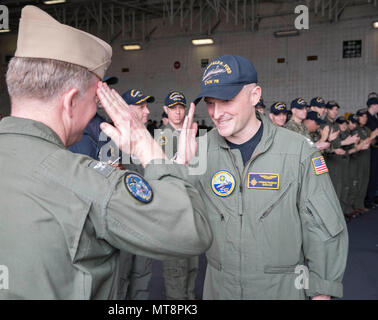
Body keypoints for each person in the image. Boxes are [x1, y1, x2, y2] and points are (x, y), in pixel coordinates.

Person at [0, 5, 212, 300]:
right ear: (70, 101)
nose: (96, 111)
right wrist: (148, 149)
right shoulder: (89, 184)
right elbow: (192, 229)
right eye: (95, 100)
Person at [180, 54, 348, 299]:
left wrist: (322, 290)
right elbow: (172, 218)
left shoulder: (298, 151)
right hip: (220, 289)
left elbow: (323, 226)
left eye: (226, 100)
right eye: (210, 102)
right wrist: (170, 171)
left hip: (281, 290)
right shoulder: (198, 151)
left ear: (255, 95)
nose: (216, 113)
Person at [111, 88, 155, 300]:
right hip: (122, 227)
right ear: (125, 109)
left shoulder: (148, 141)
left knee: (142, 278)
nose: (147, 112)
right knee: (120, 281)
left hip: (144, 224)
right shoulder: (111, 140)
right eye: (141, 107)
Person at [155, 91, 199, 300]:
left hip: (191, 212)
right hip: (173, 215)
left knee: (191, 271)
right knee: (176, 275)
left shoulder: (189, 135)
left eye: (181, 107)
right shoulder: (162, 139)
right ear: (166, 110)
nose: (178, 112)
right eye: (173, 108)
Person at [67, 76, 118, 159]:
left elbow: (110, 156)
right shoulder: (68, 122)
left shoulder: (102, 123)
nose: (105, 95)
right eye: (100, 90)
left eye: (106, 90)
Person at [364, 96, 378, 208]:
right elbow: (367, 135)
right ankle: (367, 200)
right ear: (372, 105)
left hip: (375, 149)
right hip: (369, 150)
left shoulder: (375, 117)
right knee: (370, 175)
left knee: (375, 175)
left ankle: (372, 198)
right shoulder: (366, 118)